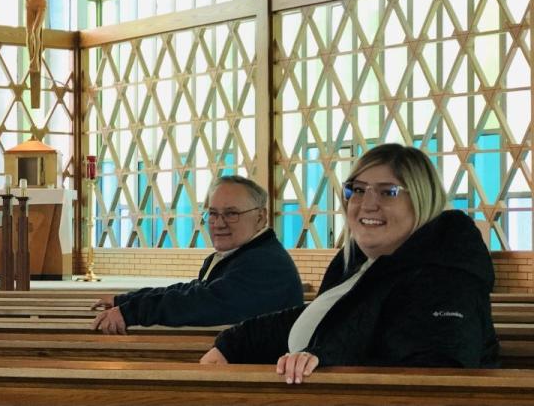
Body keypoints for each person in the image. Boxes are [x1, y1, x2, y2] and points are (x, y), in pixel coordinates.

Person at [201, 144, 499, 384]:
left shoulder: (446, 278)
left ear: (422, 199)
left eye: (387, 192)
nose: (367, 203)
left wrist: (326, 361)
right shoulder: (362, 263)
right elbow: (328, 318)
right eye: (357, 189)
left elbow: (436, 372)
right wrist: (235, 342)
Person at [90, 176, 303, 334]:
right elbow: (192, 290)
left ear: (260, 217)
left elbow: (202, 303)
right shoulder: (240, 255)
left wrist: (131, 312)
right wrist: (127, 299)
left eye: (231, 213)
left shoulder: (266, 263)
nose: (219, 223)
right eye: (213, 213)